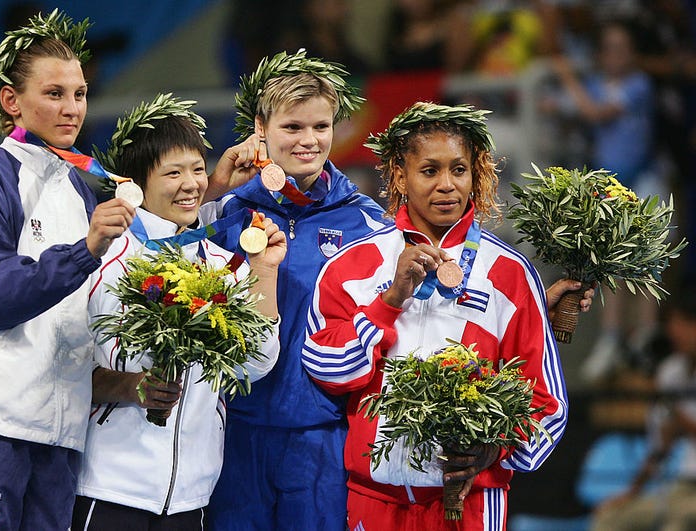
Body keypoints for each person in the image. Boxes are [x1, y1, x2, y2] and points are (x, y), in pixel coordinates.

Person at [0, 11, 135, 530]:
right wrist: (86, 248)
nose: (72, 108)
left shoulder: (80, 188)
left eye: (80, 94)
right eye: (55, 93)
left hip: (58, 439)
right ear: (12, 101)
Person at [301, 101, 568, 530]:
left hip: (470, 503)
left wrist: (493, 449)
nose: (446, 185)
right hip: (374, 499)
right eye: (429, 171)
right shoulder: (353, 266)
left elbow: (546, 404)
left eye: (458, 170)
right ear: (400, 176)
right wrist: (390, 300)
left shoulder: (510, 273)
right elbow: (326, 371)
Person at [72, 94, 286, 530]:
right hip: (110, 487)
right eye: (173, 172)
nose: (191, 184)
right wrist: (131, 387)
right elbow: (64, 367)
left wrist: (264, 271)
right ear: (134, 184)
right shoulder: (105, 258)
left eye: (196, 169)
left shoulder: (218, 263)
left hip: (192, 494)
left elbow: (255, 364)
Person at [201, 49, 388, 530]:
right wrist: (216, 191)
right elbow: (163, 263)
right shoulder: (228, 211)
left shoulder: (367, 222)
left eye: (320, 127)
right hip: (233, 428)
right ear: (260, 128)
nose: (309, 141)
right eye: (293, 127)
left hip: (322, 433)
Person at [543, 19, 661, 383]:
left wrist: (565, 77)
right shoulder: (594, 85)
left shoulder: (639, 85)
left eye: (622, 49)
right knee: (608, 267)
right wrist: (560, 104)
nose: (615, 55)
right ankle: (612, 339)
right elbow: (558, 107)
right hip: (609, 189)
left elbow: (594, 112)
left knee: (643, 265)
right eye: (609, 48)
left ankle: (645, 337)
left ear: (633, 53)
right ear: (600, 54)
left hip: (642, 182)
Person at [591, 281, 696, 531]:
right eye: (671, 324)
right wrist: (632, 492)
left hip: (688, 503)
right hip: (680, 486)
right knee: (609, 518)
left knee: (675, 525)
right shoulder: (671, 372)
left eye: (681, 324)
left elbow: (678, 424)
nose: (674, 332)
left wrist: (679, 419)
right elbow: (660, 447)